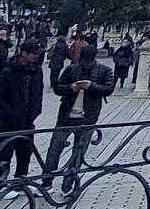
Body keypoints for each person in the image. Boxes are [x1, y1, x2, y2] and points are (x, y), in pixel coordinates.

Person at [45, 37, 117, 192]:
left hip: (87, 118)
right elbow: (58, 87)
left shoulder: (104, 71)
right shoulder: (71, 69)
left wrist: (92, 86)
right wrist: (71, 87)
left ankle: (68, 184)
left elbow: (108, 89)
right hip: (66, 116)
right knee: (54, 150)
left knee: (78, 153)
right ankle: (47, 181)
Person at [0, 39, 46, 181]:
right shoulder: (7, 71)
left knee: (25, 153)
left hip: (27, 122)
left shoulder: (36, 71)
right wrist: (11, 113)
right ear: (24, 53)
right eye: (33, 54)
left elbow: (38, 94)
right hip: (7, 123)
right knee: (4, 154)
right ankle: (1, 182)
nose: (36, 57)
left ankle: (21, 180)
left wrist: (34, 112)